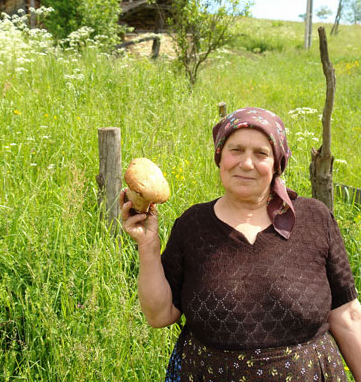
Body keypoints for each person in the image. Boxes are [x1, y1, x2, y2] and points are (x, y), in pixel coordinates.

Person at [121, 107, 361, 381]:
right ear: (220, 157)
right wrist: (148, 245)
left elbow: (348, 316)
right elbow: (160, 314)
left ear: (276, 164)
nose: (246, 163)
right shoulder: (192, 225)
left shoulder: (315, 219)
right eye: (236, 150)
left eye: (261, 154)